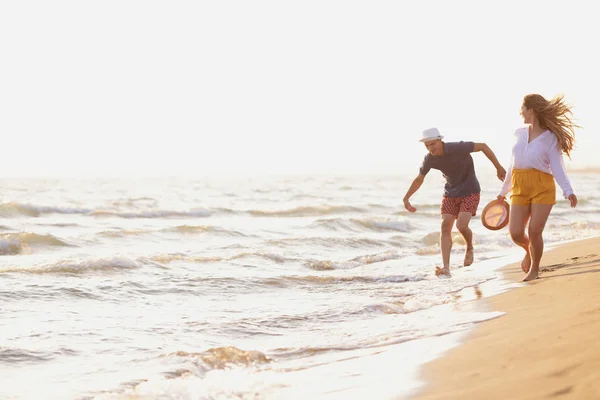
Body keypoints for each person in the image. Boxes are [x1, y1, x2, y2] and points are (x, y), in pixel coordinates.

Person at [403, 128, 507, 277]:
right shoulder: (429, 159)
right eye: (427, 146)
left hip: (470, 190)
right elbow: (420, 178)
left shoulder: (458, 147)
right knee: (445, 226)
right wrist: (407, 198)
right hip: (450, 193)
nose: (431, 148)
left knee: (461, 225)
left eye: (433, 144)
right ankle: (446, 268)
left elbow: (483, 146)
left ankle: (469, 247)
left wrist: (498, 167)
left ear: (440, 140)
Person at [497, 93, 579, 281]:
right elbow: (512, 165)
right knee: (516, 233)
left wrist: (568, 191)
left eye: (523, 108)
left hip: (542, 185)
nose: (520, 112)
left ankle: (535, 269)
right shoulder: (520, 133)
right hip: (519, 184)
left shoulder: (551, 138)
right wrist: (503, 191)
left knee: (534, 230)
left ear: (531, 110)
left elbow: (558, 166)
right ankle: (528, 250)